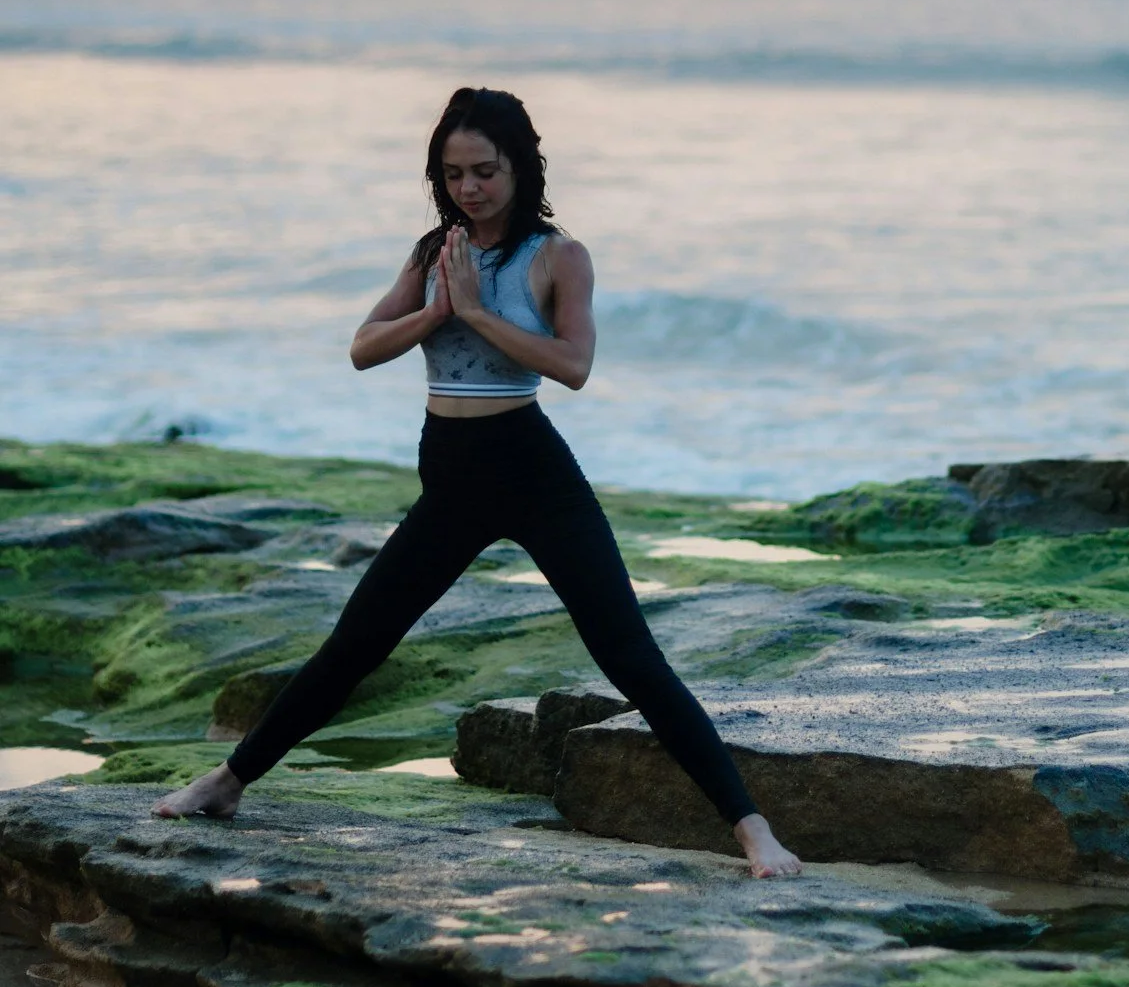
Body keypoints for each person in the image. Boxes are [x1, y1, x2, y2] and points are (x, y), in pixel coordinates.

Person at [156, 86, 801, 878]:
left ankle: (752, 832)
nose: (469, 188)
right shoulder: (435, 251)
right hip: (452, 479)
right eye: (454, 173)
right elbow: (362, 347)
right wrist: (434, 312)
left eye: (485, 171)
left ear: (521, 167)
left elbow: (573, 367)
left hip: (532, 471)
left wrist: (477, 313)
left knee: (629, 656)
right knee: (357, 643)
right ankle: (228, 782)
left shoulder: (558, 257)